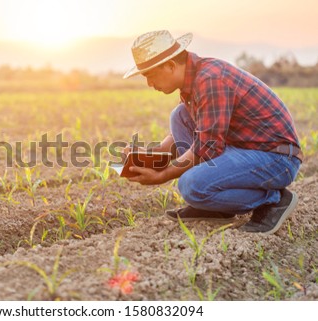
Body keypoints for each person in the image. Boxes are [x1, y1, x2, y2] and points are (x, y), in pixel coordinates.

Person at [122, 30, 303, 235]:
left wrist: (162, 175)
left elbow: (206, 148)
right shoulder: (193, 81)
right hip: (246, 149)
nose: (149, 84)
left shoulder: (211, 79)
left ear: (171, 66)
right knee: (180, 115)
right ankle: (218, 208)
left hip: (276, 158)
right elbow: (198, 132)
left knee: (192, 185)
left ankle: (274, 199)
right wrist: (147, 155)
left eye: (150, 75)